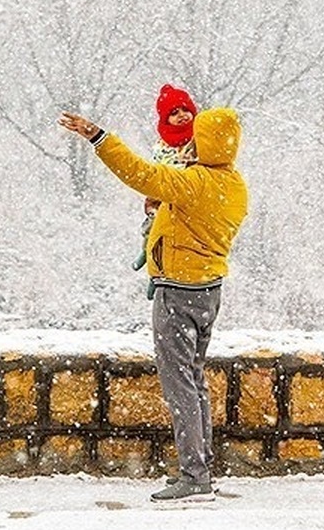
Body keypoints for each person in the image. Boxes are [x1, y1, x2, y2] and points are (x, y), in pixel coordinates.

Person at [58, 105, 248, 502]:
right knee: (194, 381)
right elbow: (188, 213)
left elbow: (140, 173)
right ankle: (202, 468)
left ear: (207, 141)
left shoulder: (194, 182)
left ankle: (194, 477)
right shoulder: (233, 184)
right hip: (209, 291)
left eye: (197, 135)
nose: (190, 140)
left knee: (179, 383)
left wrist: (98, 137)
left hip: (179, 292)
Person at [134, 85, 200, 282]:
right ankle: (150, 263)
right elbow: (156, 175)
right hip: (165, 196)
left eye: (185, 110)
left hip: (190, 197)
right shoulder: (163, 147)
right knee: (153, 231)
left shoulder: (200, 140)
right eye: (174, 113)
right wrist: (153, 203)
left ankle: (165, 275)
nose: (181, 115)